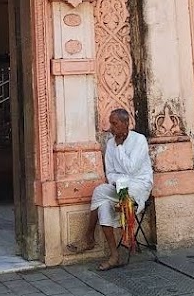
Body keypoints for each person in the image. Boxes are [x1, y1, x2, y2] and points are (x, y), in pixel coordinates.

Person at [67, 108, 153, 271]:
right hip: (119, 187)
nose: (111, 128)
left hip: (138, 185)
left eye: (114, 124)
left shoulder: (139, 140)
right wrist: (116, 182)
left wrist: (120, 148)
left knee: (103, 192)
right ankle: (114, 255)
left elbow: (131, 169)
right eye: (110, 124)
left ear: (126, 123)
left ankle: (89, 237)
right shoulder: (110, 143)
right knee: (103, 204)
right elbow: (110, 172)